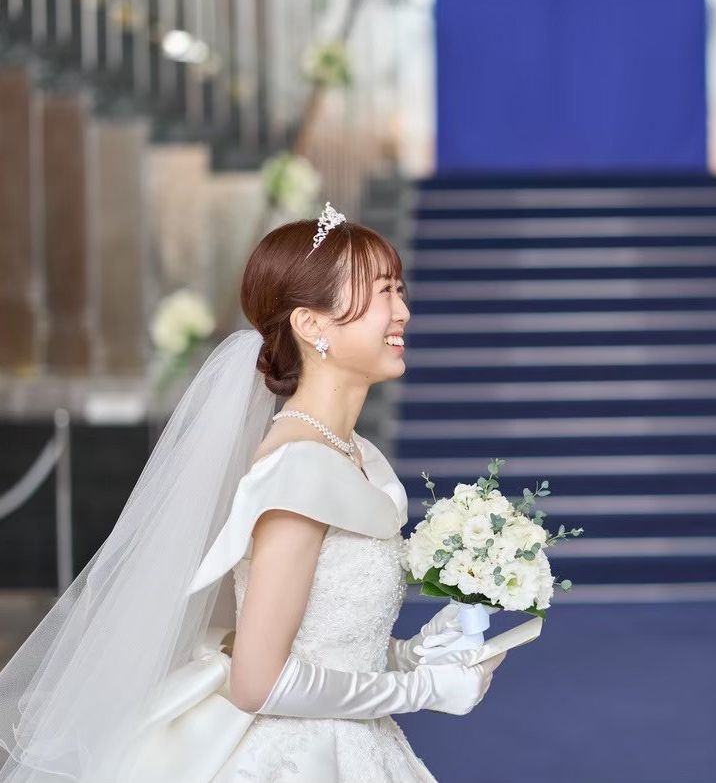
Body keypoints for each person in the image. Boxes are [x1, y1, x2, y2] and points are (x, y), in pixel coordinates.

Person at [0, 205, 503, 782]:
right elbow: (258, 681)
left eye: (400, 289)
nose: (403, 311)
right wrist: (420, 690)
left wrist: (409, 654)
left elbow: (325, 643)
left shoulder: (354, 456)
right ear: (311, 324)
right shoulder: (300, 470)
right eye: (383, 292)